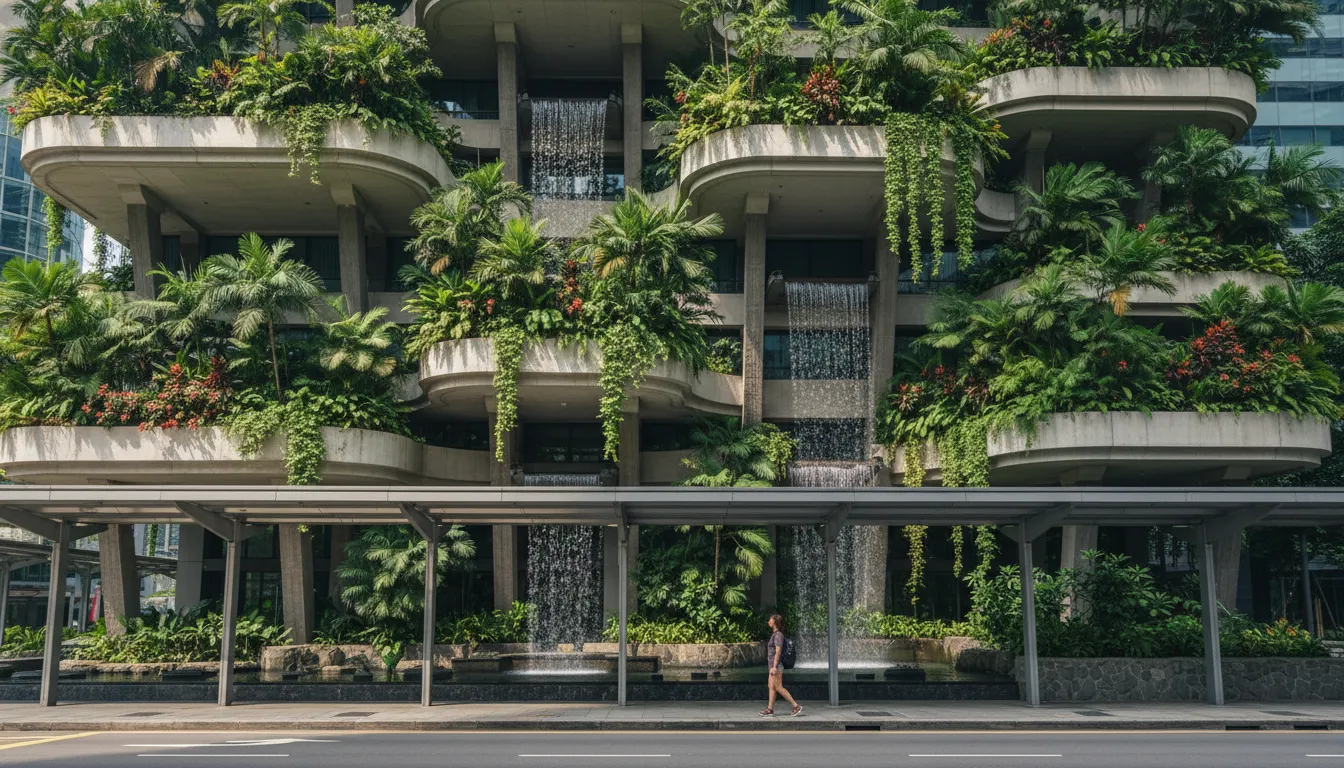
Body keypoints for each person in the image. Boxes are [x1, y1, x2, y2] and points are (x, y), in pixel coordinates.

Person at [760, 614, 802, 717]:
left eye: (770, 619)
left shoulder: (778, 635)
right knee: (771, 686)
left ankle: (796, 706)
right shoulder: (775, 634)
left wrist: (774, 667)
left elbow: (778, 652)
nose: (768, 621)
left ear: (775, 622)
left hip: (776, 666)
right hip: (773, 666)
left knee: (778, 687)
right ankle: (770, 709)